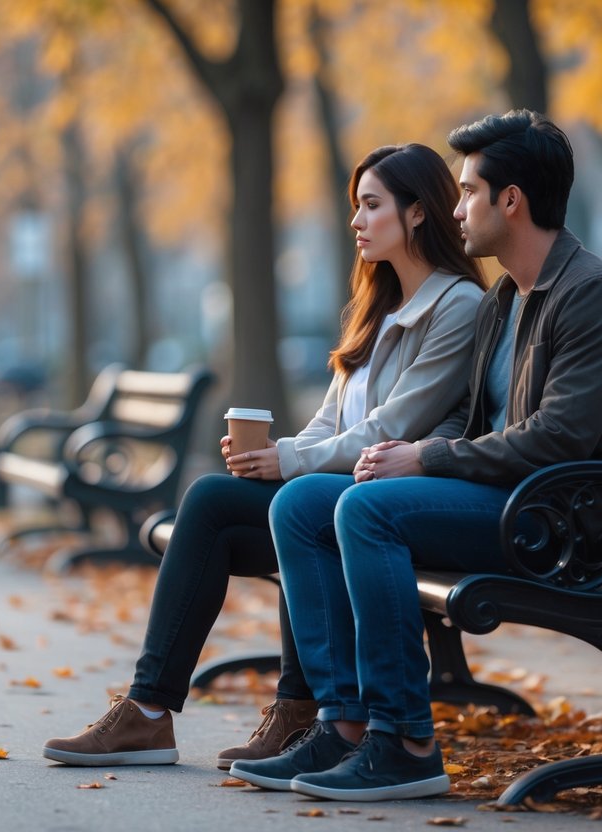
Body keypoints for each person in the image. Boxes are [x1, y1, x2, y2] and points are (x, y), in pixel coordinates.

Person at [231, 110, 602, 801]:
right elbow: (482, 422)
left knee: (368, 514)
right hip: (509, 501)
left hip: (559, 522)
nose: (454, 210)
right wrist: (399, 452)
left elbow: (559, 438)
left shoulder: (589, 295)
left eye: (467, 193)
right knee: (303, 503)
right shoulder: (503, 302)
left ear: (509, 200)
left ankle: (406, 743)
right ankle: (341, 724)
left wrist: (428, 457)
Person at [43, 143, 489, 769]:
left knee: (299, 502)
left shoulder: (456, 307)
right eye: (354, 206)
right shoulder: (377, 306)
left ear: (417, 213)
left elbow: (395, 426)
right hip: (342, 490)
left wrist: (290, 462)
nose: (356, 221)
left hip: (384, 500)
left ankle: (304, 712)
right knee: (211, 499)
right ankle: (149, 710)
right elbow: (330, 423)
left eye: (371, 206)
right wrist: (272, 455)